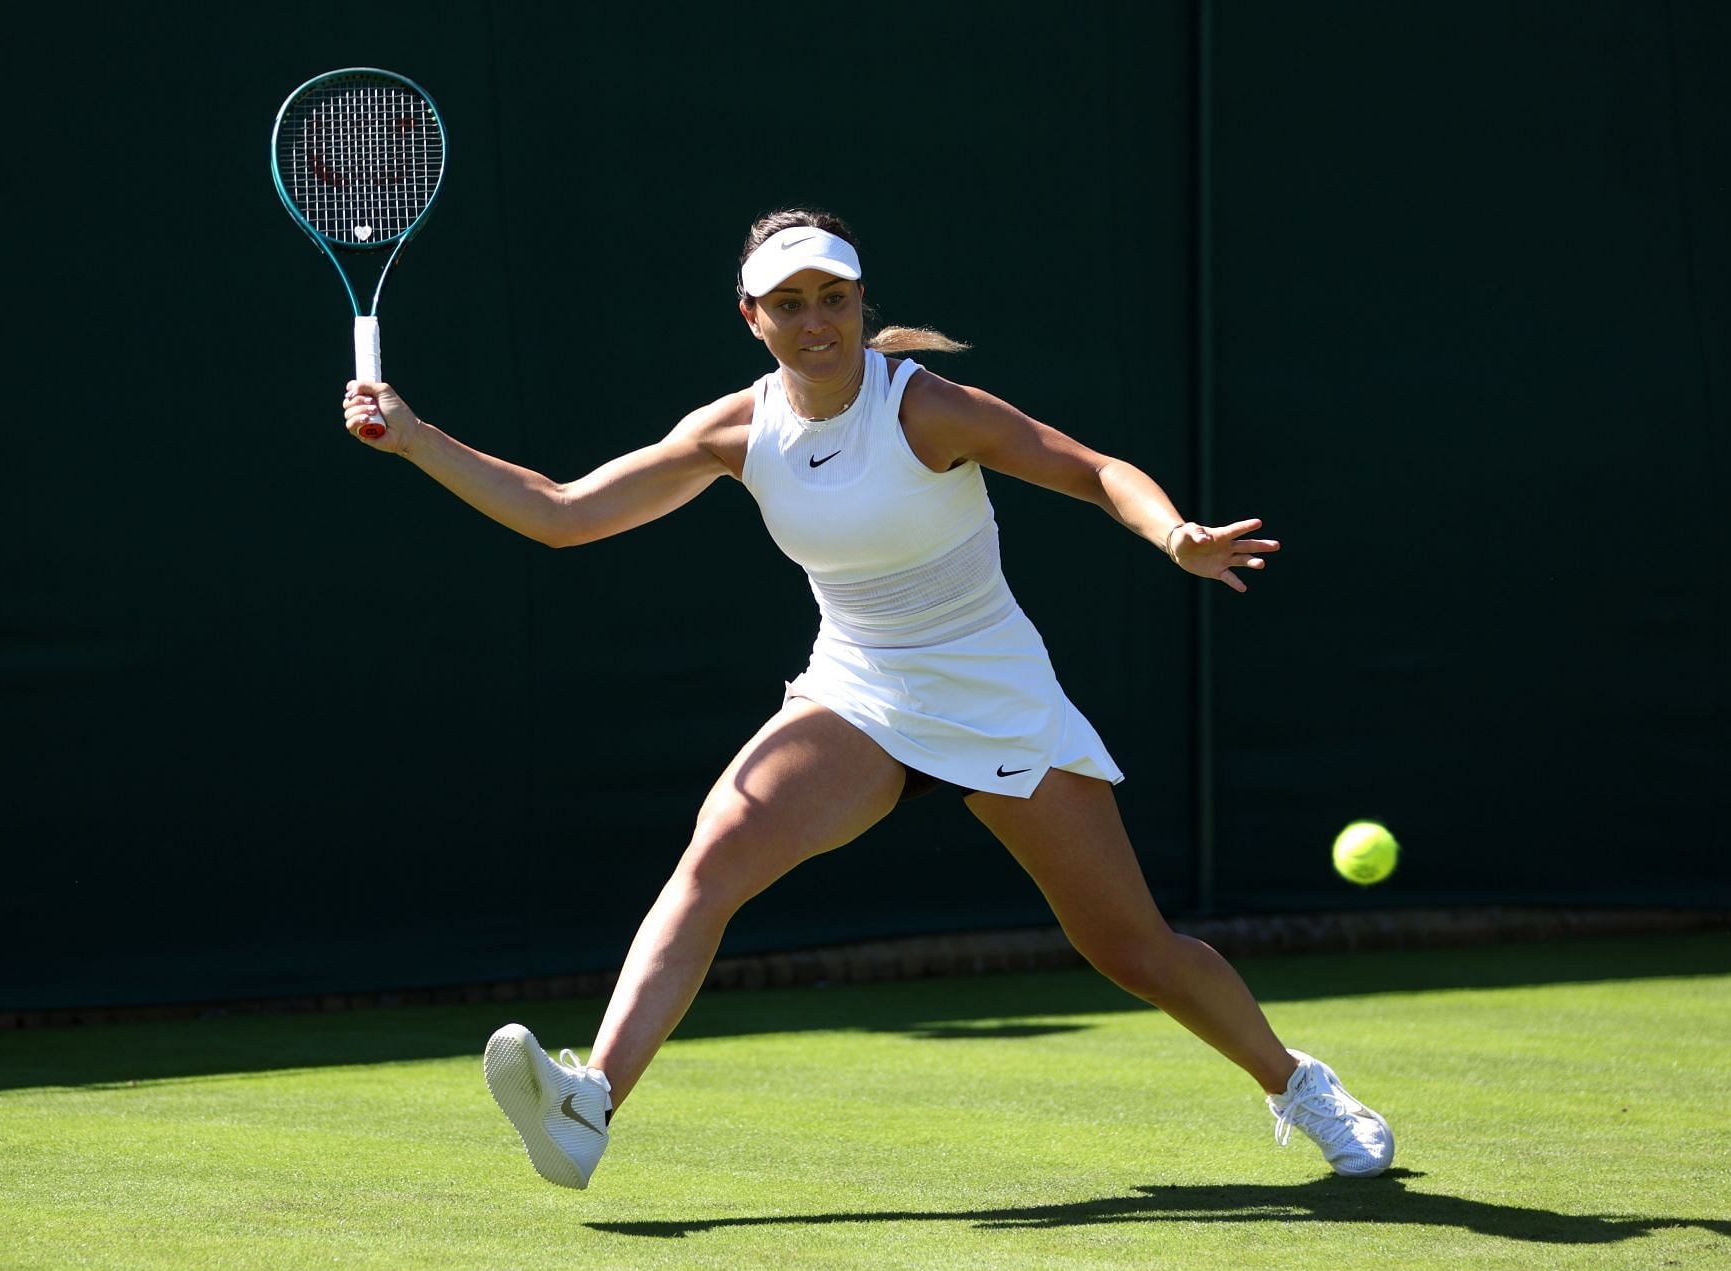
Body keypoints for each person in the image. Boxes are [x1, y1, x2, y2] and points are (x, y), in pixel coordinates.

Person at [340, 208, 1394, 1190]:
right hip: (856, 686)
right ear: (752, 318)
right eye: (788, 304)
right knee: (712, 860)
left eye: (831, 298)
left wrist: (1174, 534)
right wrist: (420, 436)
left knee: (1130, 948)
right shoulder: (731, 430)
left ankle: (1295, 1080)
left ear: (859, 304)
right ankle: (590, 1102)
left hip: (993, 691)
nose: (815, 321)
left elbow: (1095, 469)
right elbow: (564, 514)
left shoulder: (927, 407)